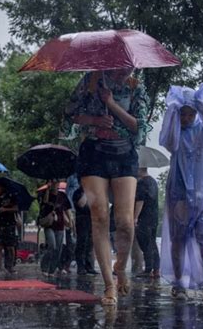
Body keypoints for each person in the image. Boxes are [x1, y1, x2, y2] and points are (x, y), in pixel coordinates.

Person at [63, 68, 150, 305]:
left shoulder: (135, 86)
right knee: (99, 214)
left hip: (124, 155)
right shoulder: (91, 81)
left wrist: (111, 104)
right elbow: (70, 113)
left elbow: (138, 127)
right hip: (93, 153)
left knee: (124, 221)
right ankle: (109, 285)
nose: (126, 71)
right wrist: (93, 119)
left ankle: (120, 266)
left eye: (129, 67)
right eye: (122, 66)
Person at [159, 83, 203, 301]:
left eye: (191, 113)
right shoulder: (176, 133)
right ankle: (179, 284)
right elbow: (168, 142)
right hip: (179, 192)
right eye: (183, 114)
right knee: (179, 237)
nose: (186, 118)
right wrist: (172, 112)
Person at [39, 182, 72, 277]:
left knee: (58, 249)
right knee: (52, 246)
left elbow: (67, 209)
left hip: (60, 225)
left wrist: (70, 220)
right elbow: (44, 204)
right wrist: (48, 191)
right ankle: (44, 267)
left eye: (56, 183)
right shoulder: (44, 194)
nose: (55, 185)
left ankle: (52, 270)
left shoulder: (62, 195)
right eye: (53, 183)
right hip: (49, 224)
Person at [134, 167, 160, 279]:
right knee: (152, 242)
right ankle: (156, 269)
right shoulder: (153, 182)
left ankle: (148, 269)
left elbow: (140, 201)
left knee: (145, 243)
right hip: (154, 216)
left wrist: (135, 217)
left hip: (144, 217)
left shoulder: (142, 183)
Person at [73, 186, 98, 276]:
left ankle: (89, 266)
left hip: (91, 219)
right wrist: (86, 193)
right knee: (82, 242)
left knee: (90, 243)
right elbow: (81, 204)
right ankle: (80, 266)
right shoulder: (78, 193)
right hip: (82, 219)